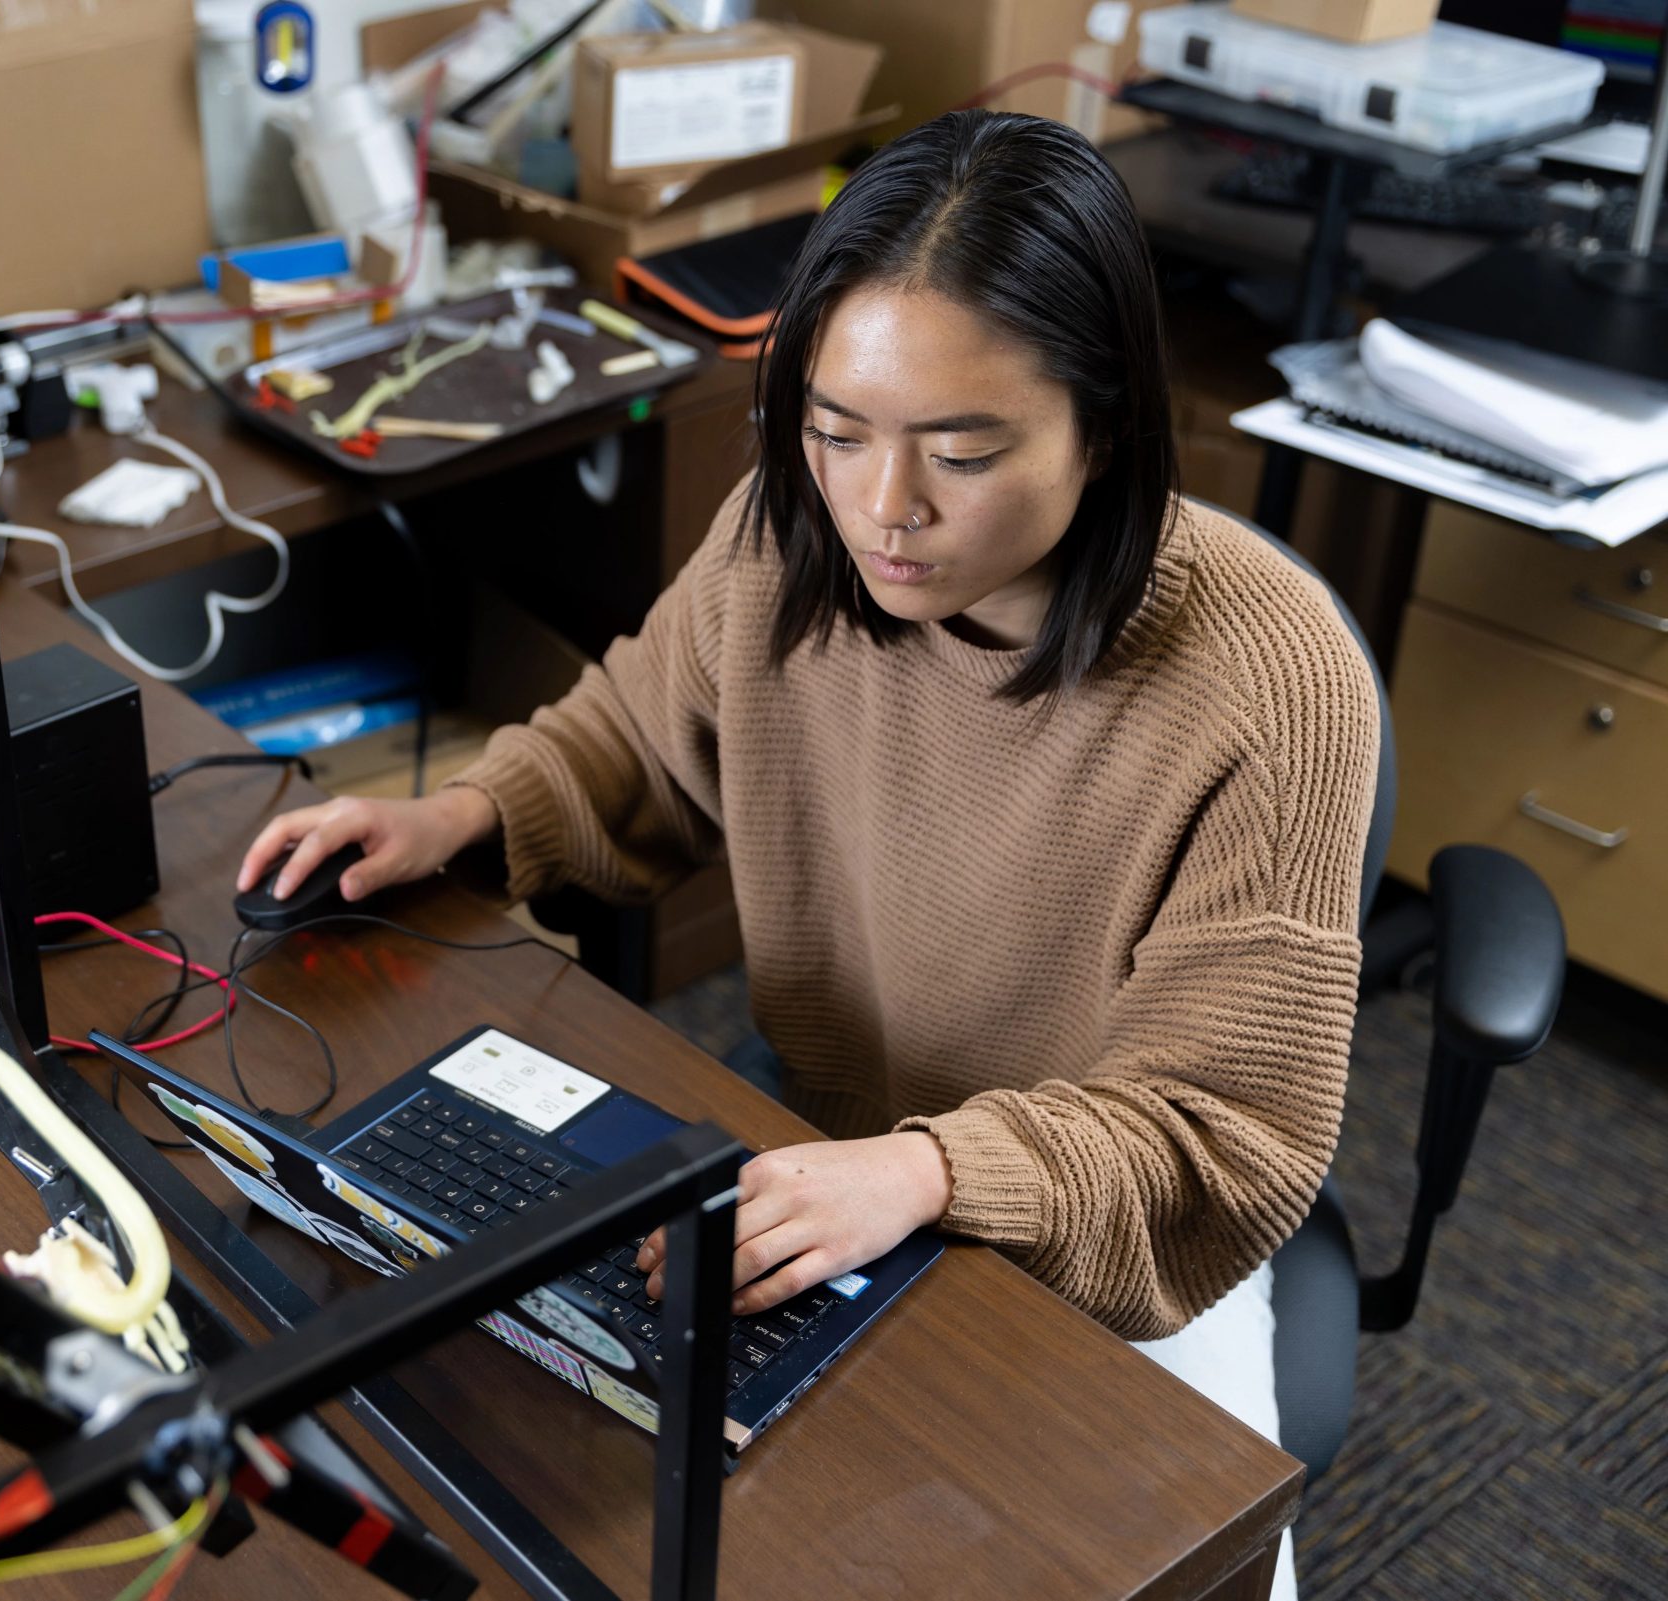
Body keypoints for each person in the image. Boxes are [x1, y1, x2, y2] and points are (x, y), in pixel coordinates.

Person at [238, 109, 1377, 1600]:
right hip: (829, 1168)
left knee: (1170, 1566)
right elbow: (639, 740)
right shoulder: (795, 538)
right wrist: (465, 815)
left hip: (1114, 1242)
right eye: (838, 434)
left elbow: (1215, 1136)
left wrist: (931, 1169)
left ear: (1105, 425)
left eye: (961, 451)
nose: (883, 510)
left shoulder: (1265, 677)